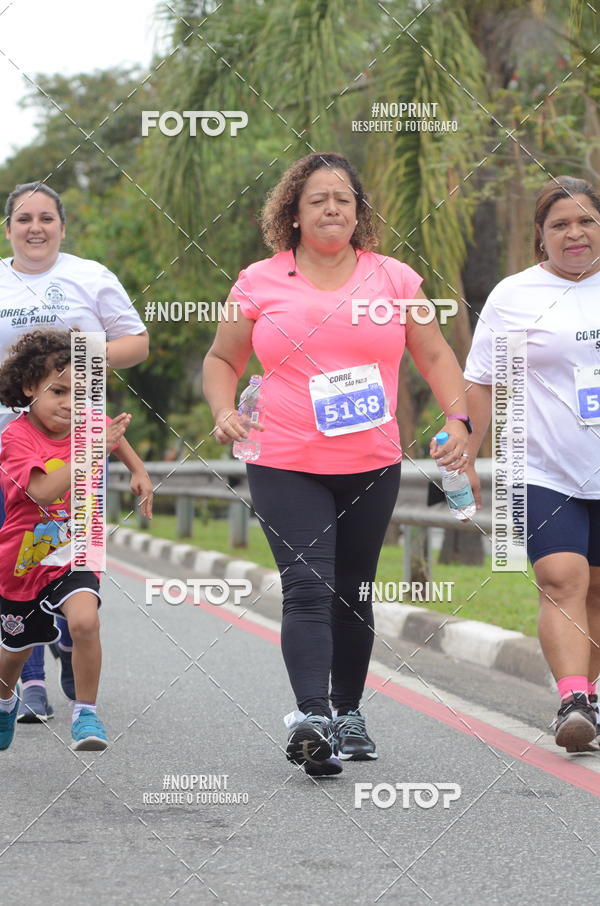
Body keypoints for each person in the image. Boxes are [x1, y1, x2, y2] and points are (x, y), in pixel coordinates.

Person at [202, 152, 471, 775]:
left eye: (343, 199)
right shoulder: (258, 281)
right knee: (307, 586)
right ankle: (313, 716)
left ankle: (349, 712)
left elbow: (435, 357)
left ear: (359, 212)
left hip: (370, 460)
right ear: (293, 213)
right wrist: (222, 410)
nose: (331, 208)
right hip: (284, 456)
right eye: (317, 198)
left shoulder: (396, 280)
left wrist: (458, 422)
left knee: (352, 591)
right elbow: (221, 359)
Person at [0, 181, 149, 722]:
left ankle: (70, 635)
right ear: (9, 226)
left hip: (76, 439)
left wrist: (77, 360)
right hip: (9, 447)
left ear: (62, 225)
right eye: (23, 218)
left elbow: (137, 342)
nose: (35, 228)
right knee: (21, 557)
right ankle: (30, 683)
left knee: (63, 548)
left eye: (46, 218)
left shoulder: (90, 276)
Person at [464, 175, 600, 752]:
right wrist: (466, 455)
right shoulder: (513, 294)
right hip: (544, 468)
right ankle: (572, 697)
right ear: (541, 237)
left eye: (586, 221)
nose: (575, 233)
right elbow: (481, 383)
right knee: (562, 578)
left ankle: (591, 700)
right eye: (560, 224)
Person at [0, 329, 153, 751]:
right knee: (14, 650)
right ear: (30, 388)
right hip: (23, 559)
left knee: (85, 621)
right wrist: (89, 453)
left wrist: (138, 470)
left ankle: (86, 714)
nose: (70, 403)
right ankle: (4, 700)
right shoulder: (15, 438)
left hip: (77, 547)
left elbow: (110, 434)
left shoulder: (83, 422)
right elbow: (44, 492)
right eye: (58, 390)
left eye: (80, 392)